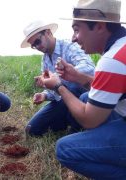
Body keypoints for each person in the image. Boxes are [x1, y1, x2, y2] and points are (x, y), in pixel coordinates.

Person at [40, 0, 126, 178]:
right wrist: (77, 77)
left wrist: (59, 86)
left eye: (77, 29)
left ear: (100, 27)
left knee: (65, 149)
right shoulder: (121, 48)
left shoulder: (112, 60)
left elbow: (89, 120)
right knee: (87, 97)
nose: (73, 37)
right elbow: (115, 89)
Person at [20, 20, 95, 136]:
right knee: (32, 129)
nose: (37, 46)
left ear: (48, 33)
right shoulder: (45, 59)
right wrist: (44, 95)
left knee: (72, 85)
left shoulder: (69, 46)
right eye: (33, 46)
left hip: (82, 96)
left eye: (37, 41)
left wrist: (60, 76)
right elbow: (54, 88)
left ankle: (76, 124)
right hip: (63, 100)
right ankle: (69, 119)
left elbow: (89, 68)